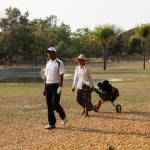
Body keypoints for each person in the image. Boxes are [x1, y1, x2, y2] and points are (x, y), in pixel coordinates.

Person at [43, 47, 67, 129]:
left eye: (51, 52)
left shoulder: (59, 63)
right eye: (48, 52)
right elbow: (45, 76)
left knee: (55, 104)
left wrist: (60, 86)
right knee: (49, 105)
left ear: (55, 53)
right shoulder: (47, 63)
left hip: (56, 85)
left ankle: (62, 115)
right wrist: (44, 88)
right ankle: (51, 123)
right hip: (48, 85)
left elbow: (61, 75)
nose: (49, 54)